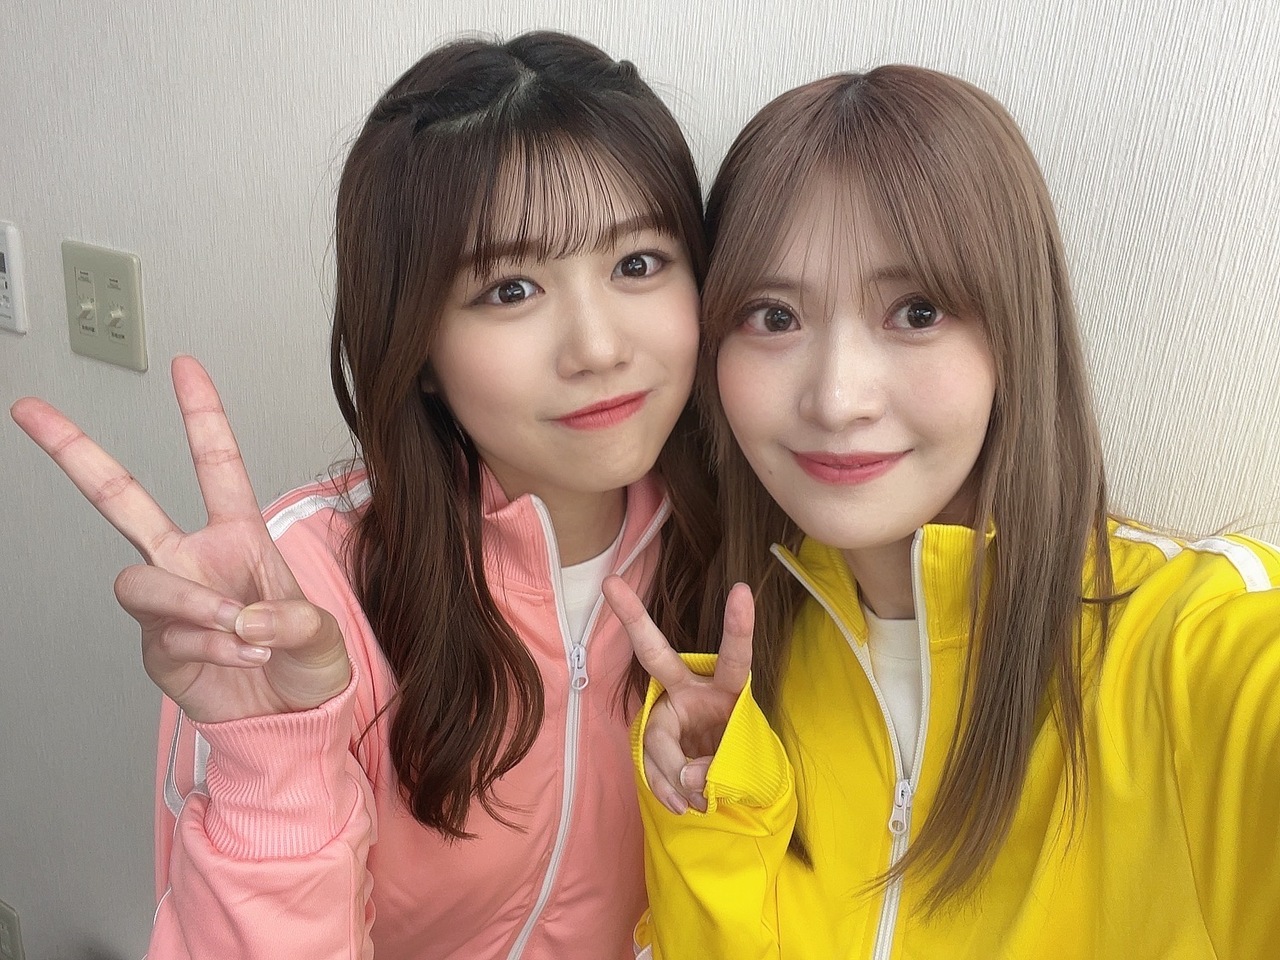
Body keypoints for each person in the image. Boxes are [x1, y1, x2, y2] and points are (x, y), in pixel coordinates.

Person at [11, 31, 716, 960]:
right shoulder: (294, 601)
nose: (598, 347)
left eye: (638, 264)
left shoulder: (734, 555)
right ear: (417, 346)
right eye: (511, 288)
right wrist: (274, 771)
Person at [603, 65, 1280, 959]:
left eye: (916, 312)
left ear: (1014, 333)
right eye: (773, 316)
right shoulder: (736, 668)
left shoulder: (1185, 639)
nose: (837, 398)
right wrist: (720, 814)